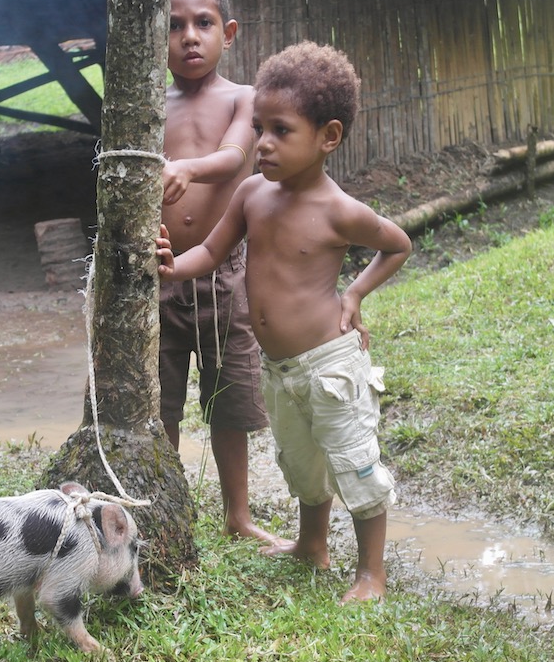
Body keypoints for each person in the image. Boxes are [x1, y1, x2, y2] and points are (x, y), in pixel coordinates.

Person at [156, 41, 413, 602]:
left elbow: (397, 245)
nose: (263, 143)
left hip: (330, 364)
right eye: (259, 128)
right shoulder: (252, 193)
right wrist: (175, 267)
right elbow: (211, 253)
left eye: (281, 130)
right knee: (301, 461)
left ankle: (371, 572)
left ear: (329, 137)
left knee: (354, 461)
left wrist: (355, 293)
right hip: (281, 368)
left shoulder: (338, 210)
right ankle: (311, 545)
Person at [159, 0, 280, 545]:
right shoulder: (149, 107)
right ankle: (161, 508)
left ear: (227, 33)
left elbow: (234, 158)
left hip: (224, 277)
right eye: (175, 25)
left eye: (203, 23)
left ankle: (239, 515)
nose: (190, 36)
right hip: (157, 276)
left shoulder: (243, 99)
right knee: (158, 399)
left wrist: (185, 167)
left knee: (228, 400)